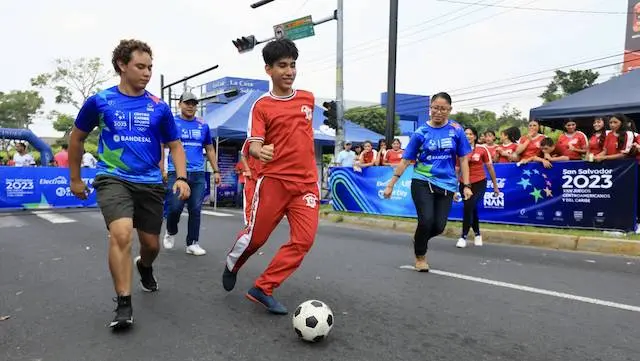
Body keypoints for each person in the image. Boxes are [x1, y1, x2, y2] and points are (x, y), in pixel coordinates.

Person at [68, 39, 191, 330]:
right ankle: (124, 303)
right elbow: (76, 138)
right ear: (122, 66)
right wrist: (74, 178)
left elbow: (174, 145)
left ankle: (144, 266)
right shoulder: (100, 101)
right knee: (121, 234)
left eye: (150, 67)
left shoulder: (159, 107)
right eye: (140, 66)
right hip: (113, 177)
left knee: (151, 244)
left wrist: (182, 177)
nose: (147, 73)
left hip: (150, 182)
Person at [221, 38, 319, 315]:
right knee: (256, 238)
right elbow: (253, 142)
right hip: (273, 182)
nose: (289, 71)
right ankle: (233, 263)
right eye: (282, 66)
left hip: (306, 185)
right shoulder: (261, 106)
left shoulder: (307, 99)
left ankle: (263, 287)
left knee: (304, 240)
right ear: (268, 70)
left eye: (292, 65)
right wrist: (258, 151)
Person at [383, 92, 472, 271]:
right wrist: (391, 183)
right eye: (435, 108)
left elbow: (463, 159)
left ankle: (419, 238)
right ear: (430, 109)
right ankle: (420, 257)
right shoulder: (420, 132)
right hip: (422, 180)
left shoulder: (456, 129)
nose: (439, 112)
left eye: (443, 109)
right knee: (426, 221)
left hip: (446, 183)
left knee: (439, 226)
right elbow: (406, 160)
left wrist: (467, 185)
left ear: (450, 110)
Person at [161, 91, 221, 256]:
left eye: (193, 103)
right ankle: (171, 231)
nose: (190, 106)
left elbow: (209, 148)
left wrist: (216, 170)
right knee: (175, 207)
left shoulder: (203, 125)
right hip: (176, 173)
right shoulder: (171, 123)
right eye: (187, 103)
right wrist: (162, 169)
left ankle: (193, 243)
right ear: (179, 104)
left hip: (198, 174)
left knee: (195, 208)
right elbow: (162, 146)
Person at [456, 127, 500, 248]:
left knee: (469, 206)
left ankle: (463, 236)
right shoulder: (459, 150)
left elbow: (490, 168)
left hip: (479, 182)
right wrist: (454, 188)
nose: (468, 136)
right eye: (466, 134)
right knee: (471, 207)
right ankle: (477, 234)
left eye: (470, 134)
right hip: (464, 183)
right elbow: (457, 170)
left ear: (475, 136)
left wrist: (495, 186)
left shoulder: (482, 148)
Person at [239, 138, 262, 226]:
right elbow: (243, 155)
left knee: (263, 201)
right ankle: (248, 223)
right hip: (251, 176)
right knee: (249, 199)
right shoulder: (250, 139)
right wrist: (247, 169)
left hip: (264, 176)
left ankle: (258, 223)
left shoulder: (272, 138)